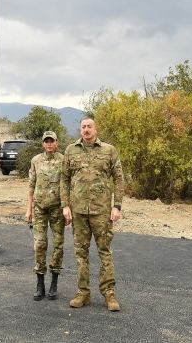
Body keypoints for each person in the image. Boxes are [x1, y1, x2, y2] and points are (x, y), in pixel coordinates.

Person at [61, 116, 124, 311]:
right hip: (78, 211)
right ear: (80, 130)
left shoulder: (108, 150)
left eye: (89, 126)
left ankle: (109, 294)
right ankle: (83, 293)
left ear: (95, 129)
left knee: (105, 251)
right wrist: (65, 206)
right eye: (83, 127)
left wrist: (117, 206)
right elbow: (64, 179)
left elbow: (119, 179)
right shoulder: (71, 150)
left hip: (102, 211)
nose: (86, 130)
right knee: (81, 253)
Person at [25, 131, 65, 301]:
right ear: (42, 144)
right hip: (40, 209)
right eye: (46, 141)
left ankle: (54, 283)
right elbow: (31, 185)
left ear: (57, 143)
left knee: (58, 246)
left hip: (57, 209)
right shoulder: (36, 161)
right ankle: (40, 283)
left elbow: (67, 185)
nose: (49, 144)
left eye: (52, 141)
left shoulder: (63, 160)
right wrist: (28, 209)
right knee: (40, 244)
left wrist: (66, 208)